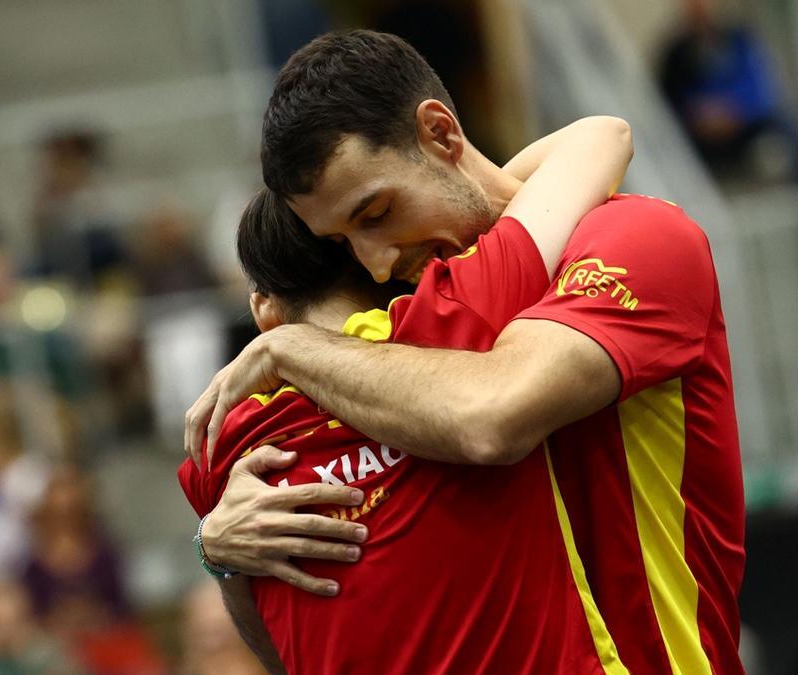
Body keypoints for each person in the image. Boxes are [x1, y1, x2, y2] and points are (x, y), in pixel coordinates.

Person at [185, 30, 745, 674]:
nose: (377, 260)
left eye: (376, 214)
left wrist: (290, 349)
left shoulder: (638, 237)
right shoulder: (410, 316)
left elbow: (491, 415)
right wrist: (223, 552)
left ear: (442, 135)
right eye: (343, 243)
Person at [180, 107, 633, 673]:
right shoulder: (457, 317)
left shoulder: (224, 439)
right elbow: (602, 135)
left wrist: (213, 551)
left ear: (263, 308)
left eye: (374, 216)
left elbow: (279, 654)